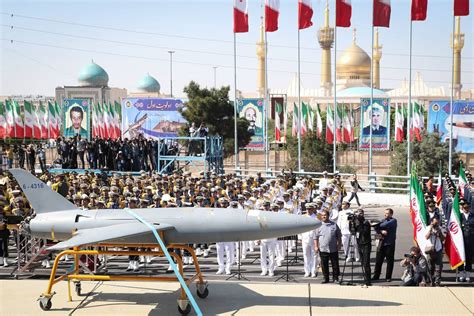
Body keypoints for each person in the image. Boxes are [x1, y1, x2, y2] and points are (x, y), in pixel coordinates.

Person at [315, 210, 341, 283]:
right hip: (323, 249)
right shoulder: (318, 225)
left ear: (328, 216)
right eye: (322, 215)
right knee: (324, 265)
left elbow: (339, 236)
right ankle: (326, 278)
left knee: (335, 265)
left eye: (325, 215)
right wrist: (316, 246)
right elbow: (315, 237)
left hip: (333, 248)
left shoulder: (334, 224)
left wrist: (339, 244)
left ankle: (335, 278)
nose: (323, 216)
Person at [373, 208, 397, 282]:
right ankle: (376, 276)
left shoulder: (393, 221)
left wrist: (377, 226)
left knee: (390, 261)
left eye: (387, 213)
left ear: (391, 214)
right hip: (382, 243)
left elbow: (380, 225)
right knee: (378, 261)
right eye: (385, 213)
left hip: (389, 244)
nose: (385, 214)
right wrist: (381, 231)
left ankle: (388, 277)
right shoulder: (383, 220)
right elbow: (376, 228)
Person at [353, 208, 372, 286]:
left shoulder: (365, 222)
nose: (359, 215)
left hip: (366, 244)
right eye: (358, 213)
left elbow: (365, 232)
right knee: (362, 262)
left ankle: (368, 280)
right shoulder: (356, 222)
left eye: (361, 213)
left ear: (363, 214)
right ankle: (365, 277)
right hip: (359, 243)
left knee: (366, 262)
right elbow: (352, 231)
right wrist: (352, 223)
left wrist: (359, 223)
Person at [424, 217, 445, 286]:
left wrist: (439, 233)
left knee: (439, 268)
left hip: (438, 250)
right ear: (431, 222)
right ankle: (430, 281)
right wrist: (430, 229)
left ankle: (437, 282)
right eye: (435, 223)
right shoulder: (427, 228)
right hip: (430, 250)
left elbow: (443, 239)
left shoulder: (440, 228)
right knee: (430, 268)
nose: (436, 224)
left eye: (437, 223)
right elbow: (426, 237)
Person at [458, 199, 474, 282]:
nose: (466, 209)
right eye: (464, 207)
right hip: (461, 239)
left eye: (467, 207)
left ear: (469, 208)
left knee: (469, 257)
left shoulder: (472, 216)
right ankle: (461, 273)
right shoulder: (459, 216)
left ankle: (467, 273)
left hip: (470, 240)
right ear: (462, 208)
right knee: (461, 256)